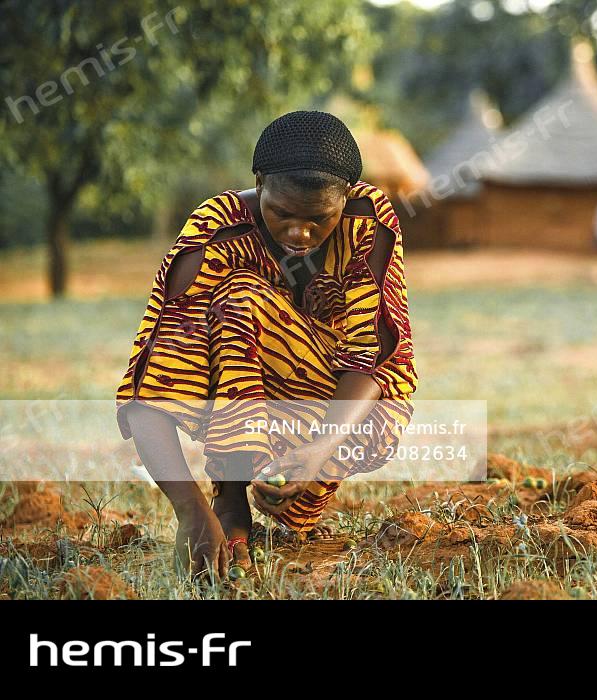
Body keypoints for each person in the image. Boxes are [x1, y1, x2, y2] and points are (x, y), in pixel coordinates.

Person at [116, 111, 418, 579]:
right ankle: (231, 501)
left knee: (293, 511)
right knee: (241, 298)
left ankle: (286, 483)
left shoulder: (368, 221)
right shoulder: (216, 231)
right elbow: (150, 387)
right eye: (282, 214)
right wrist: (192, 513)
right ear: (258, 184)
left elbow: (375, 363)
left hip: (348, 408)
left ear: (346, 199)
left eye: (320, 219)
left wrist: (319, 450)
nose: (300, 233)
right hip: (243, 394)